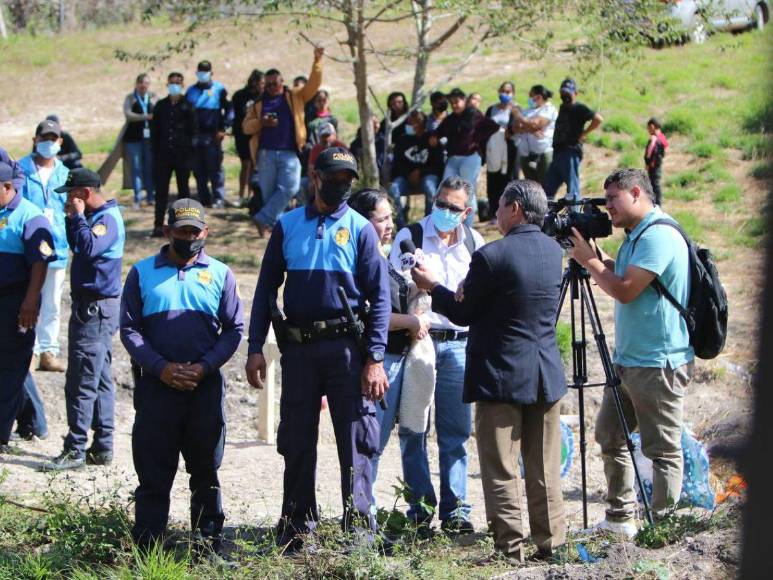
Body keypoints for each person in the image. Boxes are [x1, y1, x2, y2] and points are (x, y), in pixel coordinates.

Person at [411, 179, 567, 562]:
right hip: (545, 372)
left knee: (500, 467)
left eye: (499, 206)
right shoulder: (554, 251)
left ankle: (509, 548)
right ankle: (552, 545)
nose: (494, 213)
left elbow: (463, 313)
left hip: (500, 374)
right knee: (543, 466)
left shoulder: (492, 256)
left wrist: (434, 287)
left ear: (515, 208)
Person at [245, 147, 390, 550]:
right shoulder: (287, 224)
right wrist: (256, 346)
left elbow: (380, 300)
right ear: (315, 176)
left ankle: (359, 530)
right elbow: (265, 290)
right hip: (299, 350)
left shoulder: (361, 229)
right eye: (334, 177)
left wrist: (375, 357)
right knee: (296, 439)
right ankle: (296, 528)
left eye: (348, 179)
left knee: (357, 441)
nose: (341, 185)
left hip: (347, 350)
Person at [569, 168, 694, 538]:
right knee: (609, 434)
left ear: (636, 193)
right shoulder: (635, 236)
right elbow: (621, 275)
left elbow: (625, 290)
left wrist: (588, 263)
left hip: (658, 362)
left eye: (613, 200)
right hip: (627, 361)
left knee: (662, 449)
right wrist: (597, 258)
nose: (607, 208)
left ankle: (663, 529)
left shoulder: (658, 235)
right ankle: (621, 520)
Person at [120, 198, 243, 549]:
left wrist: (204, 368)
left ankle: (207, 546)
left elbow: (234, 329)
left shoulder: (220, 273)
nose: (189, 237)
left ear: (205, 232)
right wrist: (162, 369)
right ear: (167, 231)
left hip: (203, 387)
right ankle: (148, 547)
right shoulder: (141, 272)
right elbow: (129, 330)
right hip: (157, 387)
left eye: (195, 231)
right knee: (154, 473)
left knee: (205, 470)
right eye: (182, 231)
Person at [388, 176, 485, 534]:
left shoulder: (475, 243)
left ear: (467, 212)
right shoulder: (409, 236)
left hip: (460, 344)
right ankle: (420, 507)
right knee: (414, 428)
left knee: (455, 431)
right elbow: (392, 286)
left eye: (453, 207)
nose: (444, 211)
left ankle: (456, 509)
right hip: (419, 343)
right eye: (440, 203)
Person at [347, 188, 430, 508]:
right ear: (364, 222)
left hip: (399, 360)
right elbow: (371, 316)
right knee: (372, 444)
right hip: (380, 361)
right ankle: (361, 514)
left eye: (391, 217)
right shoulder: (361, 262)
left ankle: (417, 511)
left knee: (410, 437)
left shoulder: (384, 258)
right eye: (383, 219)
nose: (391, 225)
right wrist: (410, 322)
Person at [40, 169, 125, 471]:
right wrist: (71, 218)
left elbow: (88, 248)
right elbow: (78, 245)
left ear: (85, 193)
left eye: (72, 193)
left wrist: (76, 217)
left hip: (96, 311)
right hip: (92, 308)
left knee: (81, 379)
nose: (68, 198)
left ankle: (74, 448)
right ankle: (102, 446)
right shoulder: (96, 217)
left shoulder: (107, 220)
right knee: (99, 377)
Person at [0, 162, 56, 453]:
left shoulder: (31, 217)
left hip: (17, 299)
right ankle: (34, 422)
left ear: (8, 187)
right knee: (11, 365)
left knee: (11, 365)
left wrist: (31, 300)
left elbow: (40, 262)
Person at [242, 47, 325, 238]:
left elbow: (313, 84)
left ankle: (262, 218)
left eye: (275, 83)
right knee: (270, 196)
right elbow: (246, 127)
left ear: (282, 82)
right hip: (265, 154)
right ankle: (276, 232)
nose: (272, 87)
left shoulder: (294, 96)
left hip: (289, 152)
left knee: (290, 188)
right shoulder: (258, 104)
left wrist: (317, 61)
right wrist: (262, 122)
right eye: (268, 84)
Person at [19, 119, 70, 373]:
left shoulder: (65, 173)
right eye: (44, 138)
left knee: (52, 302)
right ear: (35, 139)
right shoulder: (20, 169)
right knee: (29, 299)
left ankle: (49, 351)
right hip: (27, 248)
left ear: (60, 142)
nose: (48, 143)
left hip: (58, 246)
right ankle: (31, 350)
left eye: (53, 138)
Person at [431, 88, 499, 227]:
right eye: (452, 103)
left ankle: (467, 227)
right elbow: (439, 132)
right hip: (453, 159)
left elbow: (492, 126)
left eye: (456, 101)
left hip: (470, 158)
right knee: (445, 189)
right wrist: (434, 137)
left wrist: (477, 141)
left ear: (464, 100)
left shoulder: (474, 115)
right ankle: (447, 223)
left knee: (468, 192)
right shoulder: (450, 118)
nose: (454, 105)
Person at [150, 72, 199, 238]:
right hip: (163, 156)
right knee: (161, 191)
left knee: (183, 191)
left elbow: (194, 131)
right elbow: (154, 131)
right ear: (167, 84)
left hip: (182, 157)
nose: (174, 85)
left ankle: (185, 224)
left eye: (177, 82)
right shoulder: (161, 106)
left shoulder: (188, 106)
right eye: (171, 82)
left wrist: (190, 153)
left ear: (182, 84)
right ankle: (158, 225)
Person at [543, 78, 603, 202]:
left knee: (572, 189)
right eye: (563, 93)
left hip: (570, 152)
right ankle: (543, 216)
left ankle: (575, 218)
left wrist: (584, 133)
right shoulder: (562, 107)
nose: (565, 96)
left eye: (568, 93)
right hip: (557, 153)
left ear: (575, 93)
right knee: (547, 190)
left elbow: (597, 119)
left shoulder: (579, 108)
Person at [185, 60, 232, 208]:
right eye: (200, 71)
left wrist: (224, 128)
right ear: (196, 73)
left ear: (211, 73)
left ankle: (218, 197)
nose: (203, 74)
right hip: (196, 137)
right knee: (198, 170)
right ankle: (203, 197)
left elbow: (229, 109)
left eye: (206, 71)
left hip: (213, 137)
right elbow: (185, 114)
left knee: (215, 169)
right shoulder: (191, 91)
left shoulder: (219, 89)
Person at [389, 111, 444, 226]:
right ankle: (400, 226)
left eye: (412, 123)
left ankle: (428, 225)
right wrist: (408, 174)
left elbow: (437, 165)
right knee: (393, 189)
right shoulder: (402, 140)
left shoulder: (431, 140)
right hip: (405, 177)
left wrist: (421, 172)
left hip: (427, 175)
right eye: (408, 122)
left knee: (431, 190)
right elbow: (397, 164)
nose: (409, 125)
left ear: (421, 124)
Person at [484, 81, 519, 221]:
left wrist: (510, 131)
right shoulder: (491, 109)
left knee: (509, 180)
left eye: (508, 91)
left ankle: (511, 213)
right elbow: (484, 127)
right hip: (493, 150)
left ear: (513, 94)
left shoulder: (516, 109)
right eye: (502, 91)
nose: (505, 94)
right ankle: (494, 213)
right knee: (493, 181)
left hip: (510, 149)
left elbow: (518, 126)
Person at [123, 73, 157, 208]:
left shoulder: (153, 97)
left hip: (149, 139)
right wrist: (145, 116)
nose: (143, 86)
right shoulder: (130, 98)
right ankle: (137, 198)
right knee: (136, 168)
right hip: (133, 139)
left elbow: (158, 113)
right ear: (136, 84)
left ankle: (150, 196)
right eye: (141, 83)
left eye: (146, 83)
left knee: (149, 167)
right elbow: (128, 114)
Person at [232, 70, 265, 203]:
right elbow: (237, 115)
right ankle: (241, 195)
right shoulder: (240, 96)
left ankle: (251, 196)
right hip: (242, 134)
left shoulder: (264, 96)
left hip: (257, 134)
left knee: (254, 165)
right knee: (245, 164)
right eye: (261, 83)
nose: (263, 86)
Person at [517, 85, 558, 185]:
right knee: (531, 188)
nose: (529, 98)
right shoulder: (526, 110)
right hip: (526, 154)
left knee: (546, 187)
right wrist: (531, 129)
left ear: (539, 97)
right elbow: (517, 128)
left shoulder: (549, 109)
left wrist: (518, 116)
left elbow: (537, 124)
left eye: (531, 95)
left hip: (543, 153)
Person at [644, 117, 668, 206]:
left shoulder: (654, 139)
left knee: (654, 184)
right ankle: (657, 203)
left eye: (648, 128)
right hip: (658, 165)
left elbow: (649, 153)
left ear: (652, 126)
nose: (648, 130)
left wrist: (647, 163)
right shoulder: (662, 137)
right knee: (655, 183)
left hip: (653, 166)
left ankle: (657, 203)